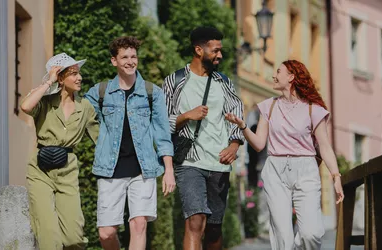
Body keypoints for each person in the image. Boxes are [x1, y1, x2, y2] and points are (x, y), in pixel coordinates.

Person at [225, 59, 345, 250]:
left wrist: (336, 176)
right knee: (283, 237)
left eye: (278, 71)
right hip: (276, 171)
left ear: (291, 77)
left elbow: (324, 146)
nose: (274, 75)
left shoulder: (314, 109)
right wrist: (243, 126)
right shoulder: (268, 107)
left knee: (311, 234)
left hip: (306, 170)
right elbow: (258, 144)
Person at [84, 36, 176, 250]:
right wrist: (101, 141)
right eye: (124, 56)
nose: (130, 61)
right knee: (106, 233)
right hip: (110, 168)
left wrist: (168, 169)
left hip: (143, 169)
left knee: (139, 224)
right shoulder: (100, 92)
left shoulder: (153, 93)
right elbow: (82, 118)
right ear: (113, 61)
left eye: (133, 56)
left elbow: (163, 134)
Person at [162, 26, 245, 250]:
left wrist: (234, 145)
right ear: (199, 50)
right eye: (215, 50)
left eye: (221, 50)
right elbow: (161, 123)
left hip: (219, 161)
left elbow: (236, 115)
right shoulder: (175, 81)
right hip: (189, 161)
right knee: (195, 220)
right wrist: (187, 116)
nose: (220, 55)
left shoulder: (223, 82)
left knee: (215, 228)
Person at [20, 53, 99, 249]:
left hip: (68, 170)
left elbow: (102, 139)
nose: (79, 77)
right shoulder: (45, 102)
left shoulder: (85, 107)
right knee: (49, 236)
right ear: (61, 78)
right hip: (40, 170)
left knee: (74, 238)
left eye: (79, 73)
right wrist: (48, 82)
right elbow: (25, 106)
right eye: (73, 73)